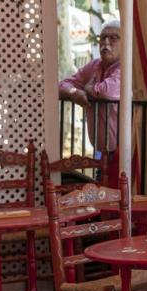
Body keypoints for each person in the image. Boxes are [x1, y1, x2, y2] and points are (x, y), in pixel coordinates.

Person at [59, 19, 122, 188]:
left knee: (118, 196)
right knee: (102, 193)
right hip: (103, 152)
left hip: (125, 152)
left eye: (113, 38)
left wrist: (87, 88)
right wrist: (74, 93)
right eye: (103, 38)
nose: (106, 43)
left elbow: (107, 91)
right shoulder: (95, 65)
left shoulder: (126, 66)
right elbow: (62, 85)